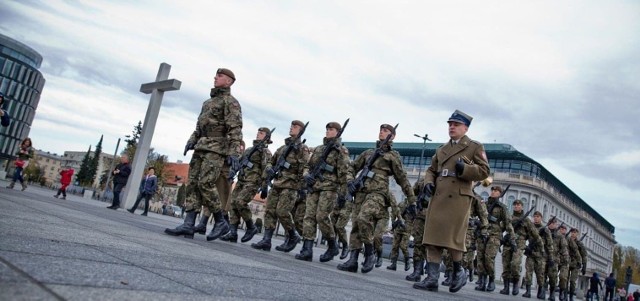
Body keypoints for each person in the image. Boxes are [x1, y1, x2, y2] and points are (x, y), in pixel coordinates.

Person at [165, 68, 242, 241]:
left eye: (220, 76)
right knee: (192, 184)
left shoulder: (231, 102)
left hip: (216, 149)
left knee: (205, 183)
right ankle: (189, 224)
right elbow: (199, 126)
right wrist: (191, 140)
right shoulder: (208, 102)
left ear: (229, 81)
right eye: (216, 75)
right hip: (201, 146)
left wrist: (234, 152)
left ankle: (221, 221)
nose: (215, 77)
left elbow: (235, 129)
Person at [337, 123, 417, 274]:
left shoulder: (393, 157)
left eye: (386, 131)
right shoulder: (368, 153)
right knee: (356, 224)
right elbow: (352, 168)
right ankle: (353, 260)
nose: (382, 132)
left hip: (378, 193)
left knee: (363, 218)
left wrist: (412, 200)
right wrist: (350, 181)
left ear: (392, 136)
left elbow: (403, 179)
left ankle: (369, 252)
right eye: (381, 130)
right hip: (361, 192)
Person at [295, 121, 350, 262]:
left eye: (331, 129)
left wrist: (343, 194)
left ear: (337, 132)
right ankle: (307, 249)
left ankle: (332, 245)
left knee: (321, 217)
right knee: (309, 216)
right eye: (327, 129)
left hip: (329, 188)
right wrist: (306, 175)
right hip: (314, 186)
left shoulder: (341, 151)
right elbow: (308, 165)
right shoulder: (319, 149)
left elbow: (344, 173)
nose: (327, 131)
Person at [251, 120, 309, 252]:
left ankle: (293, 235)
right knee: (270, 211)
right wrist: (270, 169)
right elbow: (271, 162)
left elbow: (305, 167)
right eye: (291, 126)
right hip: (277, 183)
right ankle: (266, 240)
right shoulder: (282, 148)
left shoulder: (302, 148)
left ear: (300, 130)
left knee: (282, 212)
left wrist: (301, 187)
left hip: (291, 185)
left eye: (294, 127)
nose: (291, 128)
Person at [225, 127, 272, 243]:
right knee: (233, 204)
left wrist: (265, 186)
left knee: (241, 202)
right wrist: (232, 172)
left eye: (261, 133)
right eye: (258, 132)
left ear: (266, 137)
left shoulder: (265, 152)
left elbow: (266, 169)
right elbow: (240, 162)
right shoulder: (250, 150)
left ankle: (251, 227)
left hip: (253, 182)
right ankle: (233, 232)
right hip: (241, 180)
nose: (258, 134)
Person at [474, 185, 516, 293]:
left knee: (489, 258)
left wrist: (512, 239)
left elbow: (508, 223)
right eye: (492, 190)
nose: (493, 192)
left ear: (500, 193)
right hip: (483, 233)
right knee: (480, 258)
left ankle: (491, 280)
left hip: (495, 235)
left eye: (496, 191)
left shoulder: (502, 207)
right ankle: (482, 281)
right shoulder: (485, 204)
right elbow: (476, 214)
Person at [501, 200, 543, 296]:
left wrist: (541, 246)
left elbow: (535, 234)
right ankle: (506, 287)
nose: (516, 206)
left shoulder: (526, 221)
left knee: (515, 264)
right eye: (515, 205)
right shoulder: (509, 218)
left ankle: (516, 283)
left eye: (518, 205)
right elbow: (501, 228)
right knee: (506, 266)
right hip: (508, 243)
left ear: (522, 207)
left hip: (519, 245)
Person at [523, 212, 555, 299]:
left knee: (540, 274)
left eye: (538, 217)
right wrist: (525, 247)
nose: (536, 218)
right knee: (528, 272)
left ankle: (541, 291)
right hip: (530, 253)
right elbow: (523, 237)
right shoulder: (530, 228)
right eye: (535, 217)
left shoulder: (546, 230)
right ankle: (528, 291)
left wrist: (551, 258)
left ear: (541, 218)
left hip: (541, 255)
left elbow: (549, 245)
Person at [406, 178, 429, 282]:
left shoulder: (445, 180)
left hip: (436, 217)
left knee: (433, 246)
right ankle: (417, 271)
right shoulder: (422, 181)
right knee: (418, 243)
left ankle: (432, 274)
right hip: (421, 215)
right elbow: (412, 193)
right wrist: (414, 204)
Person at [546, 219, 570, 301]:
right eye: (550, 223)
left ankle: (559, 293)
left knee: (560, 277)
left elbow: (564, 249)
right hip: (548, 258)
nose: (562, 230)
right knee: (546, 275)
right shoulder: (546, 232)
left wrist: (567, 259)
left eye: (564, 229)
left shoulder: (561, 237)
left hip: (560, 260)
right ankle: (545, 291)